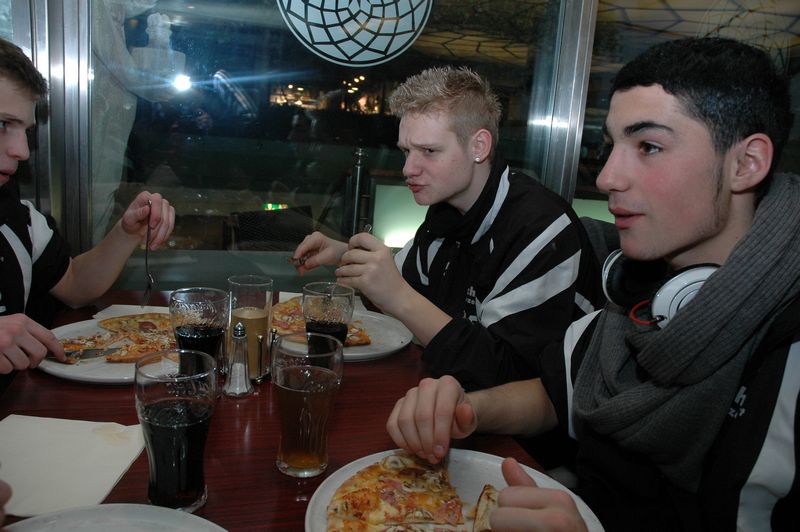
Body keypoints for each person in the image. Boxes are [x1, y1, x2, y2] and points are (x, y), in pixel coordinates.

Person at [386, 37, 798, 531]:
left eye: (648, 146)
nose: (605, 178)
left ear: (746, 164)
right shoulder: (642, 284)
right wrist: (468, 408)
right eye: (611, 146)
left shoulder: (788, 349)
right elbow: (554, 394)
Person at [292, 66, 603, 391]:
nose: (408, 169)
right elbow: (401, 282)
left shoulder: (540, 227)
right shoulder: (448, 211)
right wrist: (344, 253)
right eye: (406, 151)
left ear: (478, 147)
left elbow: (509, 376)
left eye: (429, 151)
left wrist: (397, 296)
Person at [0, 37, 175, 377]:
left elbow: (75, 286)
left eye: (26, 130)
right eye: (2, 124)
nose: (21, 150)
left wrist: (127, 231)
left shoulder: (18, 217)